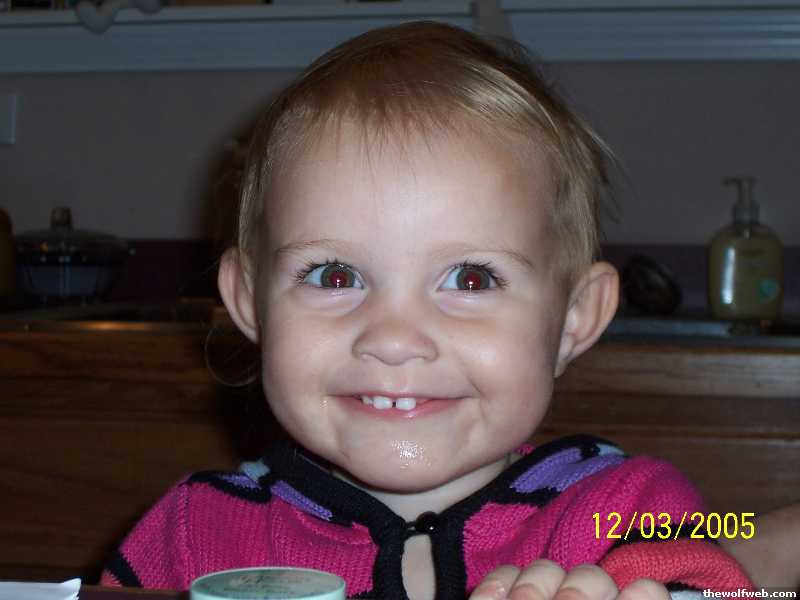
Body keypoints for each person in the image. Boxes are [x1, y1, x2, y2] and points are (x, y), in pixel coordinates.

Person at [100, 21, 755, 600]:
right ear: (248, 301)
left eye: (470, 279)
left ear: (575, 317)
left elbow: (721, 581)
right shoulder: (189, 532)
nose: (393, 338)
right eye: (334, 275)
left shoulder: (627, 511)